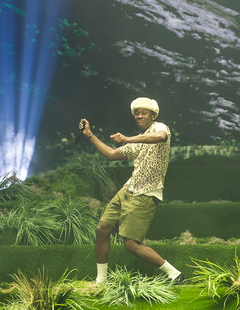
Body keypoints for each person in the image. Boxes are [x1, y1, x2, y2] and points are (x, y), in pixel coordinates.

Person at [78, 97, 184, 284]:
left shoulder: (161, 128)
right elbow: (112, 154)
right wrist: (89, 134)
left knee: (131, 244)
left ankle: (175, 274)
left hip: (146, 192)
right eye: (136, 113)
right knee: (102, 230)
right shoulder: (137, 142)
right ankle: (101, 281)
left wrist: (127, 138)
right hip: (128, 190)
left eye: (144, 112)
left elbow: (160, 137)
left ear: (153, 116)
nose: (139, 115)